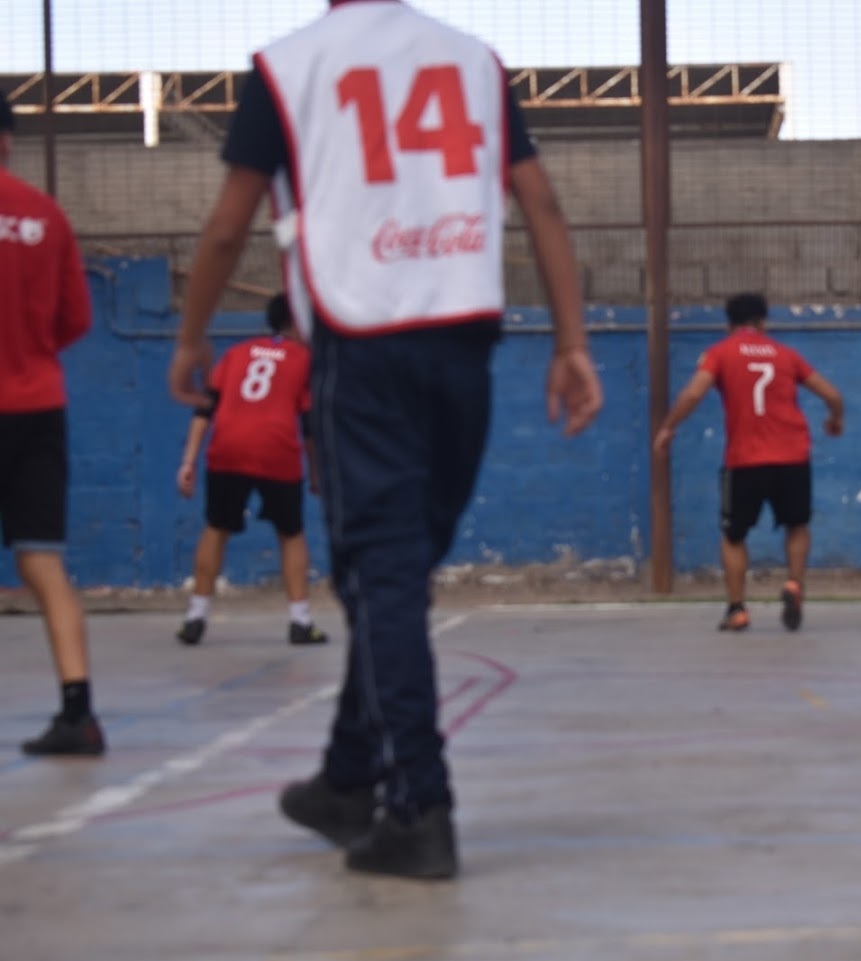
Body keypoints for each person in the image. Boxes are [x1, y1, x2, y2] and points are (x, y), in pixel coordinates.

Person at [167, 1, 603, 880]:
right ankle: (347, 777)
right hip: (464, 347)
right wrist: (571, 341)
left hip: (361, 344)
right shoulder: (474, 59)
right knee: (395, 575)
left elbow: (226, 226)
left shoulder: (287, 66)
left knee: (384, 576)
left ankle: (419, 807)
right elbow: (543, 203)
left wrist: (190, 338)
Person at [0, 90, 106, 756]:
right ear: (8, 139)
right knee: (43, 560)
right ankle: (78, 712)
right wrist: (30, 353)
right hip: (36, 404)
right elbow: (76, 319)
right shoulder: (46, 214)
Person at [654, 293, 844, 632]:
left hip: (745, 460)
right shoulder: (786, 355)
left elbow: (694, 392)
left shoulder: (720, 353)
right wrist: (835, 418)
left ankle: (737, 609)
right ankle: (794, 583)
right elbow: (831, 394)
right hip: (792, 456)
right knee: (797, 526)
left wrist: (669, 427)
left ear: (729, 324)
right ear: (763, 322)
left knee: (734, 535)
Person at [175, 293, 327, 647]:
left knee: (216, 528)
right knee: (291, 533)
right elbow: (310, 427)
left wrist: (188, 461)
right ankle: (300, 622)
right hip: (276, 449)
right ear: (297, 323)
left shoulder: (236, 353)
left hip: (227, 447)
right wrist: (316, 473)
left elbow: (205, 409)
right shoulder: (305, 360)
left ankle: (195, 616)